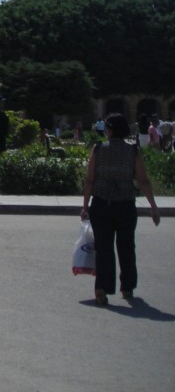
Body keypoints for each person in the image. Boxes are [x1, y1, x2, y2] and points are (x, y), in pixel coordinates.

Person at [80, 113, 160, 305]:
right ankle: (127, 287)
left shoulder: (98, 149)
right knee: (126, 246)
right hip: (125, 203)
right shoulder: (133, 151)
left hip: (101, 202)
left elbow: (90, 180)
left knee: (104, 247)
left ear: (110, 129)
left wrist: (85, 206)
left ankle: (101, 289)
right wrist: (153, 206)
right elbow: (143, 180)